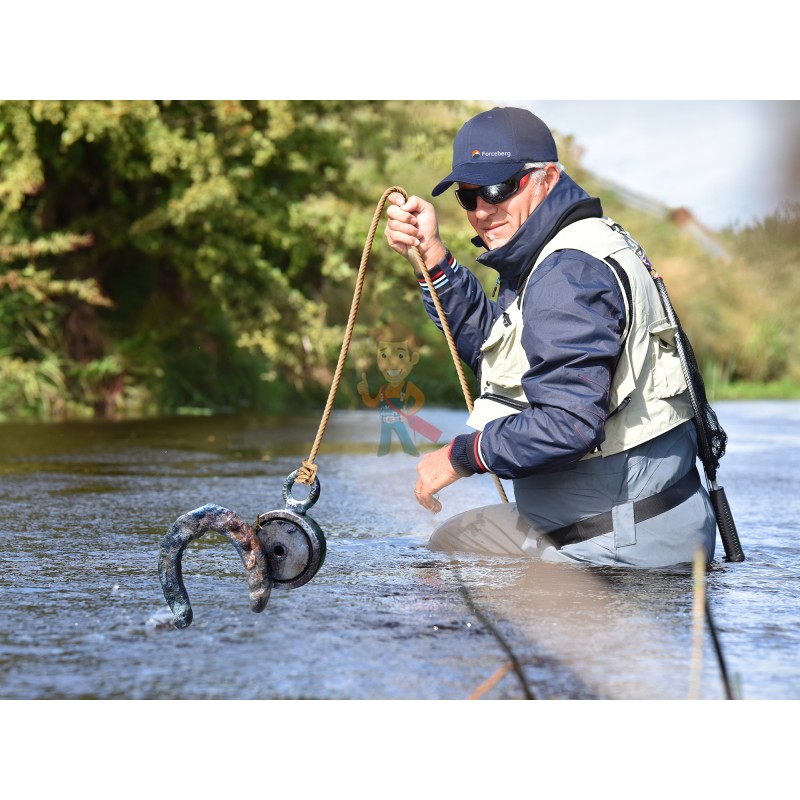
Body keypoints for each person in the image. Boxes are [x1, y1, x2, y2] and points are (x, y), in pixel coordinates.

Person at [384, 106, 717, 567]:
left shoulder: (567, 272)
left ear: (548, 178)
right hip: (605, 523)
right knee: (451, 545)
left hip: (619, 547)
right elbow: (497, 353)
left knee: (430, 624)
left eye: (499, 187)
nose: (482, 210)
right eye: (468, 195)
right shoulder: (555, 248)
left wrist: (460, 456)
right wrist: (433, 257)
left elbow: (567, 424)